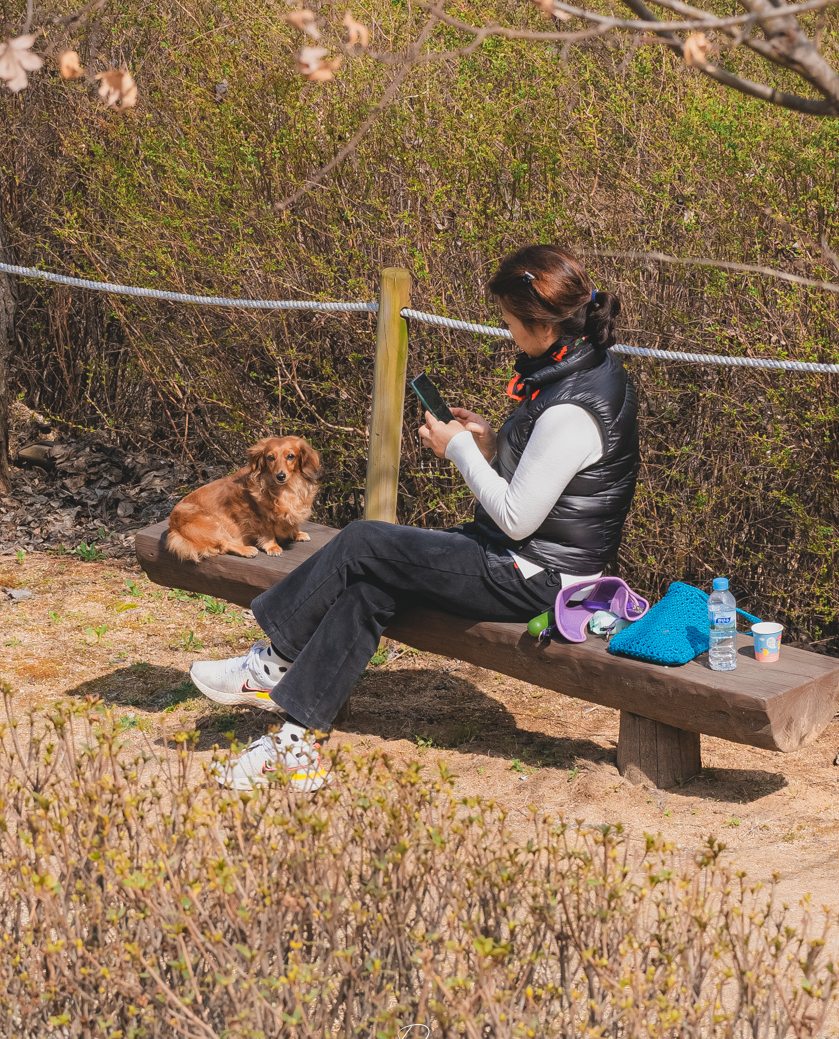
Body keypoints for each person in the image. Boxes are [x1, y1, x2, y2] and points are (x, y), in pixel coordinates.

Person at [189, 244, 640, 791]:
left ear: (543, 324)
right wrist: (491, 443)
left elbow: (518, 517)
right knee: (369, 588)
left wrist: (460, 450)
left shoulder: (571, 407)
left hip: (537, 575)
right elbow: (554, 477)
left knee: (362, 541)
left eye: (508, 321)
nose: (506, 332)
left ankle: (275, 660)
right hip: (519, 556)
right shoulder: (581, 366)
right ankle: (296, 747)